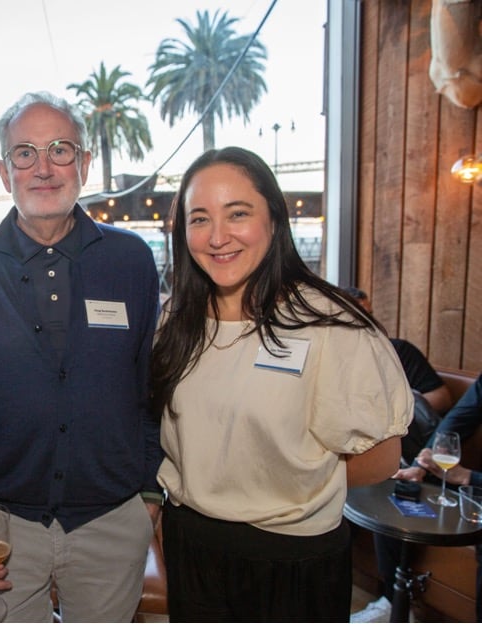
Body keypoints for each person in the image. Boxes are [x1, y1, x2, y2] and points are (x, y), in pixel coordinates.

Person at [0, 91, 162, 622]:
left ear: (84, 163)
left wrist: (148, 494)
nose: (43, 167)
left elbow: (151, 387)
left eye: (59, 149)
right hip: (1, 527)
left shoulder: (131, 260)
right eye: (24, 153)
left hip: (111, 521)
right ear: (4, 172)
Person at [150, 146, 413, 621]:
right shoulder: (176, 319)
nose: (217, 237)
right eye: (200, 218)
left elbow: (380, 458)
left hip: (292, 558)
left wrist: (287, 482)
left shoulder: (331, 325)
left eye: (238, 214)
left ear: (274, 219)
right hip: (192, 544)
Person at [353, 372, 482, 623]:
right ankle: (394, 601)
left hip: (475, 482)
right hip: (470, 483)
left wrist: (468, 477)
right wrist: (420, 466)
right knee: (399, 490)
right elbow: (457, 420)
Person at [341, 287, 453, 415]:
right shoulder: (327, 357)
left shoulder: (398, 351)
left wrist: (391, 410)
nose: (368, 322)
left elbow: (441, 399)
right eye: (358, 316)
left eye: (369, 315)